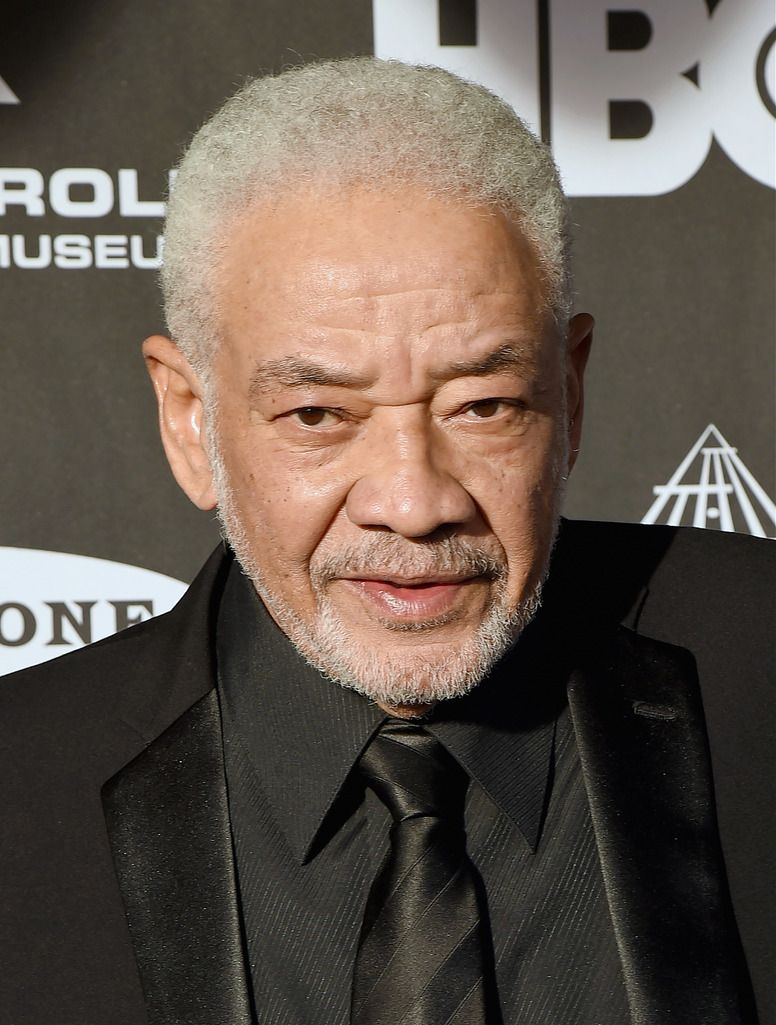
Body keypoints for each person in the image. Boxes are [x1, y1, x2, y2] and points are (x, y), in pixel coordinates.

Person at [0, 58, 772, 1025]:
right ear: (191, 419)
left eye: (484, 405)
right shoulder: (19, 790)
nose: (414, 503)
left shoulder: (760, 663)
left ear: (569, 393)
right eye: (320, 415)